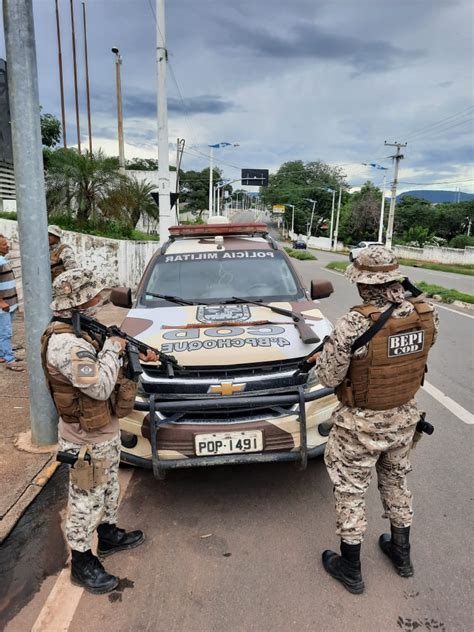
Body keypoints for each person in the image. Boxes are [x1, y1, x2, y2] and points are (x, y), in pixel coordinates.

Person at [309, 246, 438, 594]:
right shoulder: (427, 313)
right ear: (396, 278)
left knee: (351, 491)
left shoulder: (354, 322)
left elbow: (329, 377)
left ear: (364, 284)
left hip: (359, 427)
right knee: (396, 482)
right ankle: (401, 555)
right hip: (404, 418)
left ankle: (350, 568)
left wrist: (326, 355)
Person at [41, 268, 157, 594]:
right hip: (84, 441)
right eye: (93, 297)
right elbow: (99, 386)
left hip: (103, 433)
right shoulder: (65, 344)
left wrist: (135, 354)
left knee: (106, 492)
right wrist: (114, 348)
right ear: (78, 305)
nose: (99, 301)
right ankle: (82, 563)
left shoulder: (84, 332)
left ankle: (107, 536)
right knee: (84, 501)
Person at [0, 234, 24, 372]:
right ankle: (10, 360)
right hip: (4, 305)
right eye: (4, 244)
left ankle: (2, 354)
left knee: (2, 331)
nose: (7, 245)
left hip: (10, 303)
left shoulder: (3, 259)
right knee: (5, 333)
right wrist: (1, 301)